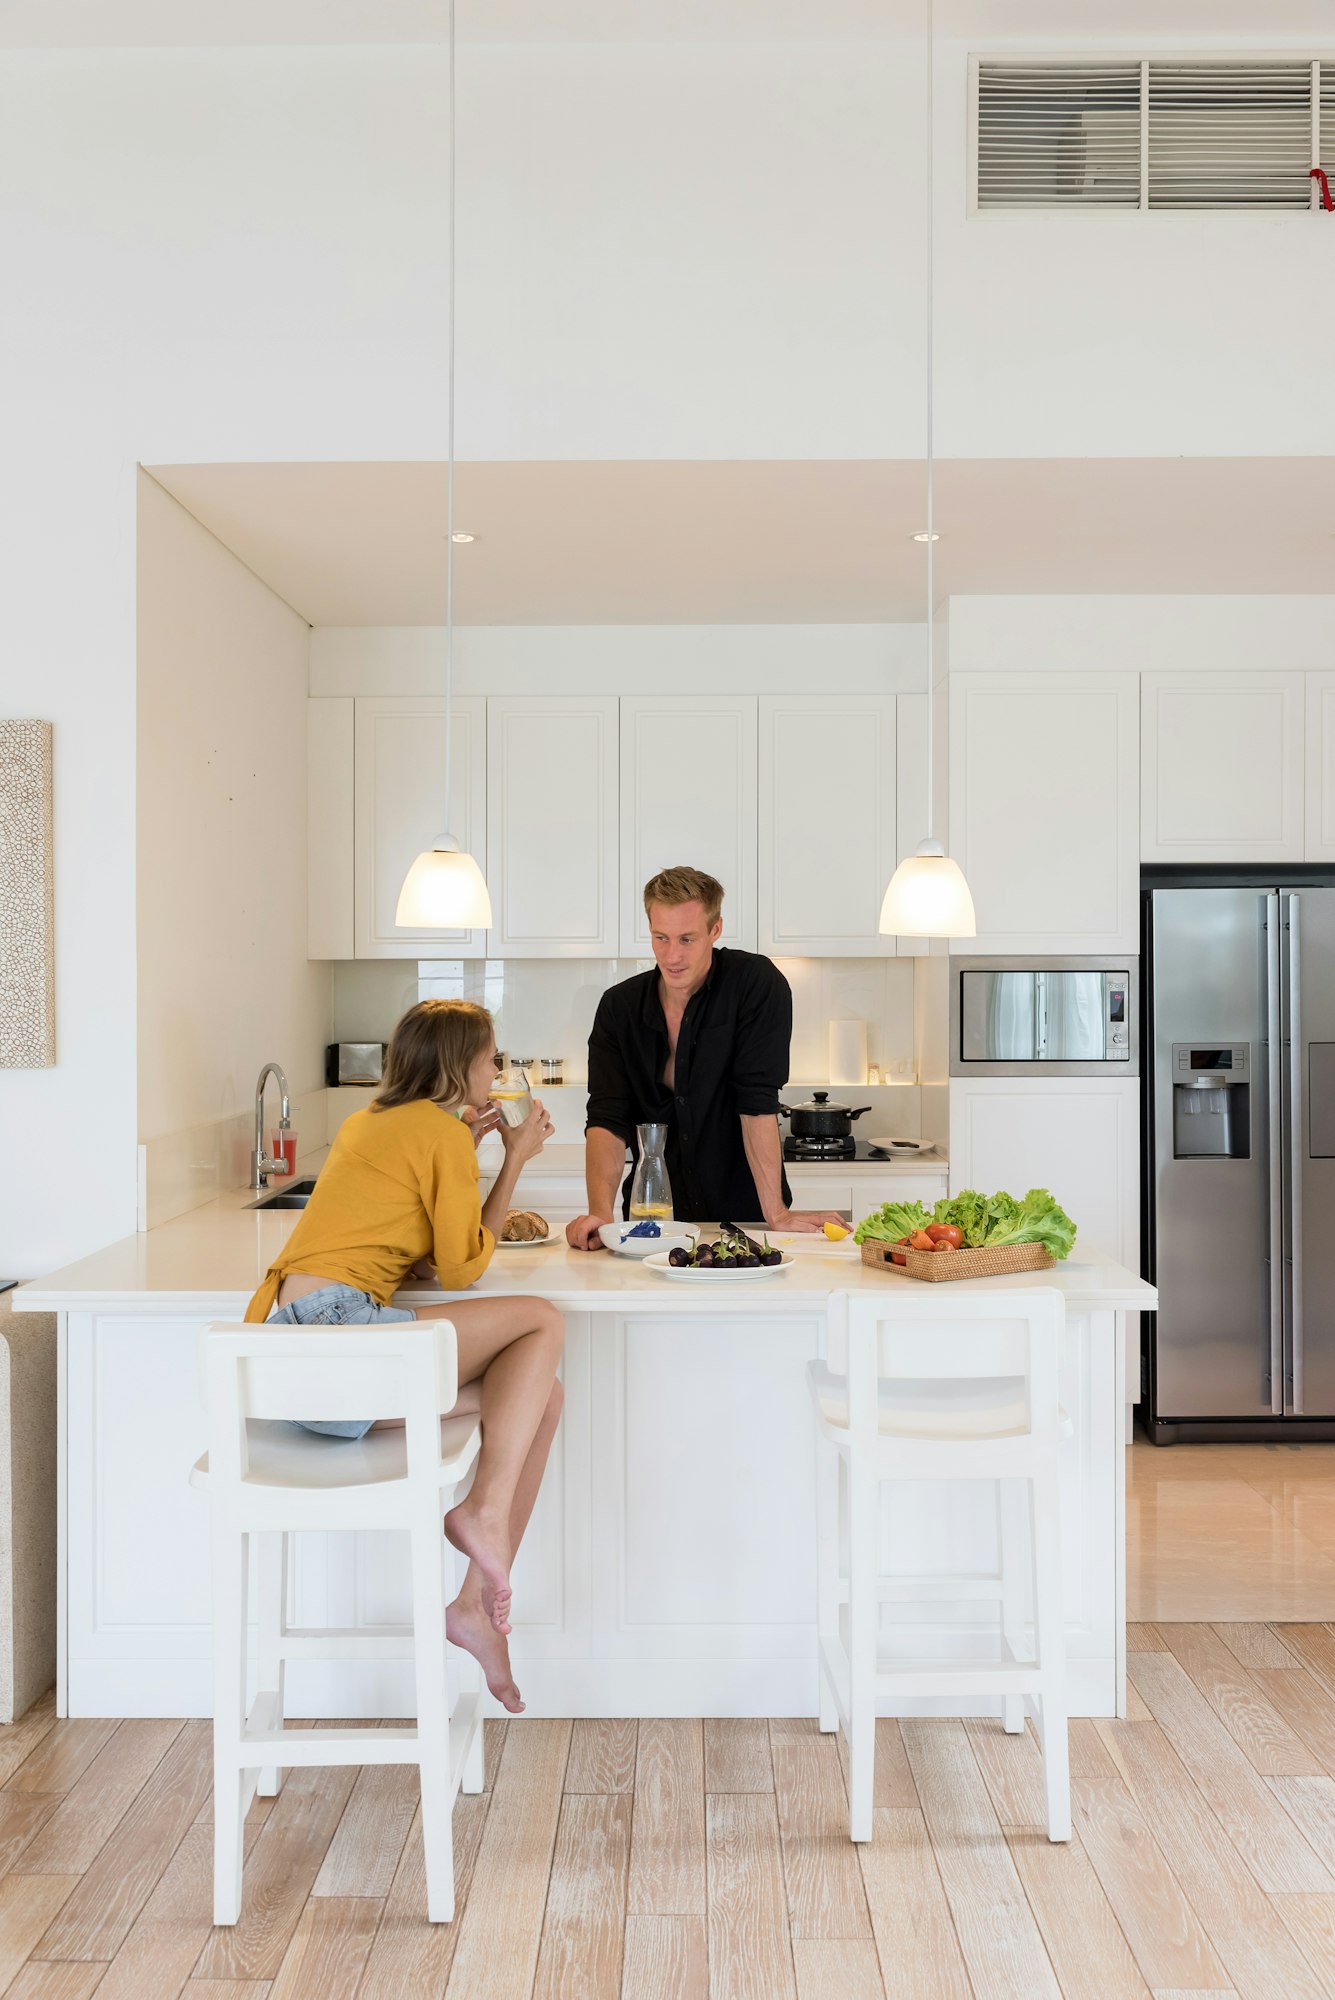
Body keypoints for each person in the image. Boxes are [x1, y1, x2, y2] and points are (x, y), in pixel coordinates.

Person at [244, 999, 560, 1713]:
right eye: (491, 1059)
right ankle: (482, 1513)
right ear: (460, 1065)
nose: (497, 1071)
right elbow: (462, 1269)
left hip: (301, 1371)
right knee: (542, 1322)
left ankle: (473, 1605)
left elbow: (408, 1238)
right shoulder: (439, 1135)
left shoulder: (374, 1122)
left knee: (542, 1394)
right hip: (342, 1342)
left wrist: (468, 1151)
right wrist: (511, 1159)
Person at [566, 865, 848, 1248]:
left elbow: (756, 1101)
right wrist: (600, 1212)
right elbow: (606, 1116)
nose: (672, 955)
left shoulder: (755, 985)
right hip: (655, 1221)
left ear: (715, 930)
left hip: (749, 1217)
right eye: (660, 937)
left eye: (687, 939)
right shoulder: (620, 1007)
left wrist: (777, 1214)